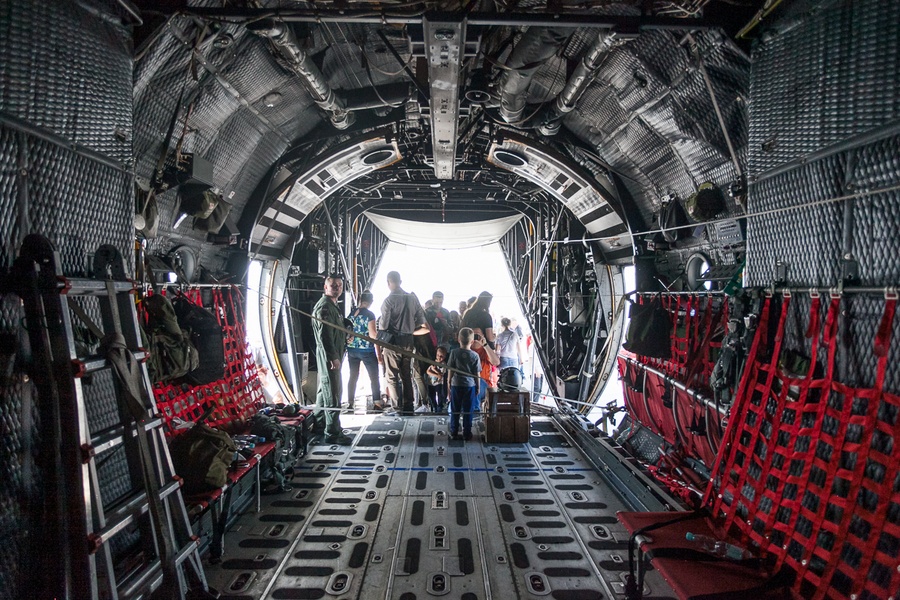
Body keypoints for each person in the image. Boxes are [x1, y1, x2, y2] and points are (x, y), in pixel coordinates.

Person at [377, 271, 427, 415]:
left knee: (392, 375)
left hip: (393, 342)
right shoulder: (412, 298)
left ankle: (396, 407)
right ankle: (409, 405)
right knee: (406, 374)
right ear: (401, 281)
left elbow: (384, 326)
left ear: (388, 282)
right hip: (409, 340)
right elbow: (421, 320)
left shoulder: (388, 301)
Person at [312, 274, 351, 444]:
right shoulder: (325, 307)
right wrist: (333, 357)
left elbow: (335, 331)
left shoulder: (333, 306)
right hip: (329, 358)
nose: (337, 288)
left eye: (340, 285)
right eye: (333, 285)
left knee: (324, 391)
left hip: (333, 356)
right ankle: (333, 433)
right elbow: (325, 335)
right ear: (325, 287)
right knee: (333, 393)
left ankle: (319, 424)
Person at [346, 290, 380, 411]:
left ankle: (350, 403)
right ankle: (377, 403)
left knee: (353, 376)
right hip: (366, 350)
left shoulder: (352, 313)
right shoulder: (369, 315)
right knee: (374, 377)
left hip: (352, 350)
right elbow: (372, 335)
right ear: (371, 301)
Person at [447, 328, 480, 441]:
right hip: (470, 386)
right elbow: (477, 374)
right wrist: (478, 386)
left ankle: (454, 432)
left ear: (458, 339)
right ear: (472, 342)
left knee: (455, 410)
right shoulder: (475, 355)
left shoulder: (454, 352)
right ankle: (467, 433)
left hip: (456, 385)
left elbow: (450, 370)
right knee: (468, 410)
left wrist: (448, 384)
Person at [471, 329, 499, 408]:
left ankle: (476, 411)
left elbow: (496, 362)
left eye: (478, 335)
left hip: (483, 383)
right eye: (473, 335)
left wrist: (485, 345)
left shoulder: (486, 351)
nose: (476, 337)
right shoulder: (467, 349)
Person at [426, 346, 449, 413]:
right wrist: (433, 371)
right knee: (431, 395)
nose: (439, 357)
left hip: (438, 384)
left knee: (439, 396)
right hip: (431, 383)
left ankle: (439, 408)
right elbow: (428, 371)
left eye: (441, 356)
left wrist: (434, 370)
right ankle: (433, 406)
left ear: (444, 357)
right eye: (438, 355)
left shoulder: (444, 364)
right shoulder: (433, 362)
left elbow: (440, 375)